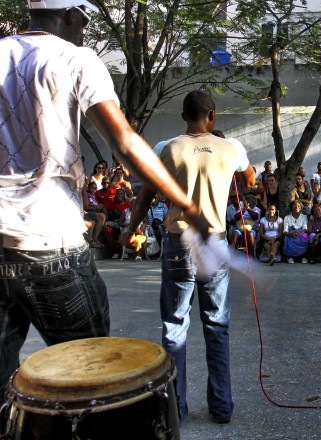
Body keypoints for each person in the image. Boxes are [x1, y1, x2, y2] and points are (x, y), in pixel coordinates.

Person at [0, 0, 210, 407]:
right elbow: (125, 142)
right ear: (73, 14)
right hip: (48, 241)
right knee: (94, 379)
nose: (85, 29)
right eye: (85, 20)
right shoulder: (76, 58)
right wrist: (183, 199)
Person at [125, 90, 254, 423]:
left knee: (174, 327)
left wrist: (129, 231)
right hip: (215, 241)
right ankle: (222, 407)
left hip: (177, 243)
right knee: (217, 325)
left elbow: (144, 198)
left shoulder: (166, 149)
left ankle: (176, 409)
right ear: (212, 116)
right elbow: (250, 179)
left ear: (184, 116)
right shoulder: (233, 148)